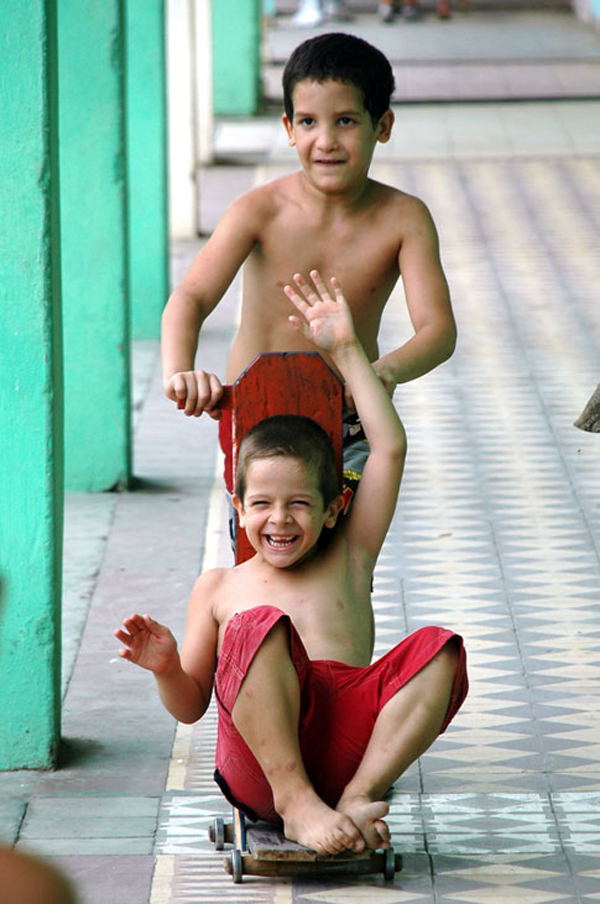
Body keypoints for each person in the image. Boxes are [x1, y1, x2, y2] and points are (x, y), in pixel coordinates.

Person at [118, 273, 468, 855]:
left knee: (442, 648)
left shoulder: (350, 553)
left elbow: (388, 448)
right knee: (259, 623)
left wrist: (347, 349)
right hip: (261, 768)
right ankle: (297, 801)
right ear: (238, 506)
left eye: (299, 504)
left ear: (333, 510)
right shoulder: (220, 587)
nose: (279, 520)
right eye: (261, 505)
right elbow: (190, 707)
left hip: (350, 746)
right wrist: (166, 668)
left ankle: (359, 795)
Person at [161, 32, 456, 505]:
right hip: (257, 413)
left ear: (382, 124)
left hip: (351, 415)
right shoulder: (257, 210)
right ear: (288, 128)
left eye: (344, 121)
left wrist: (384, 371)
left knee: (343, 561)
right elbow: (190, 298)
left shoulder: (404, 218)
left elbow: (437, 329)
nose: (325, 141)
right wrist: (180, 372)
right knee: (263, 555)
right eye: (308, 122)